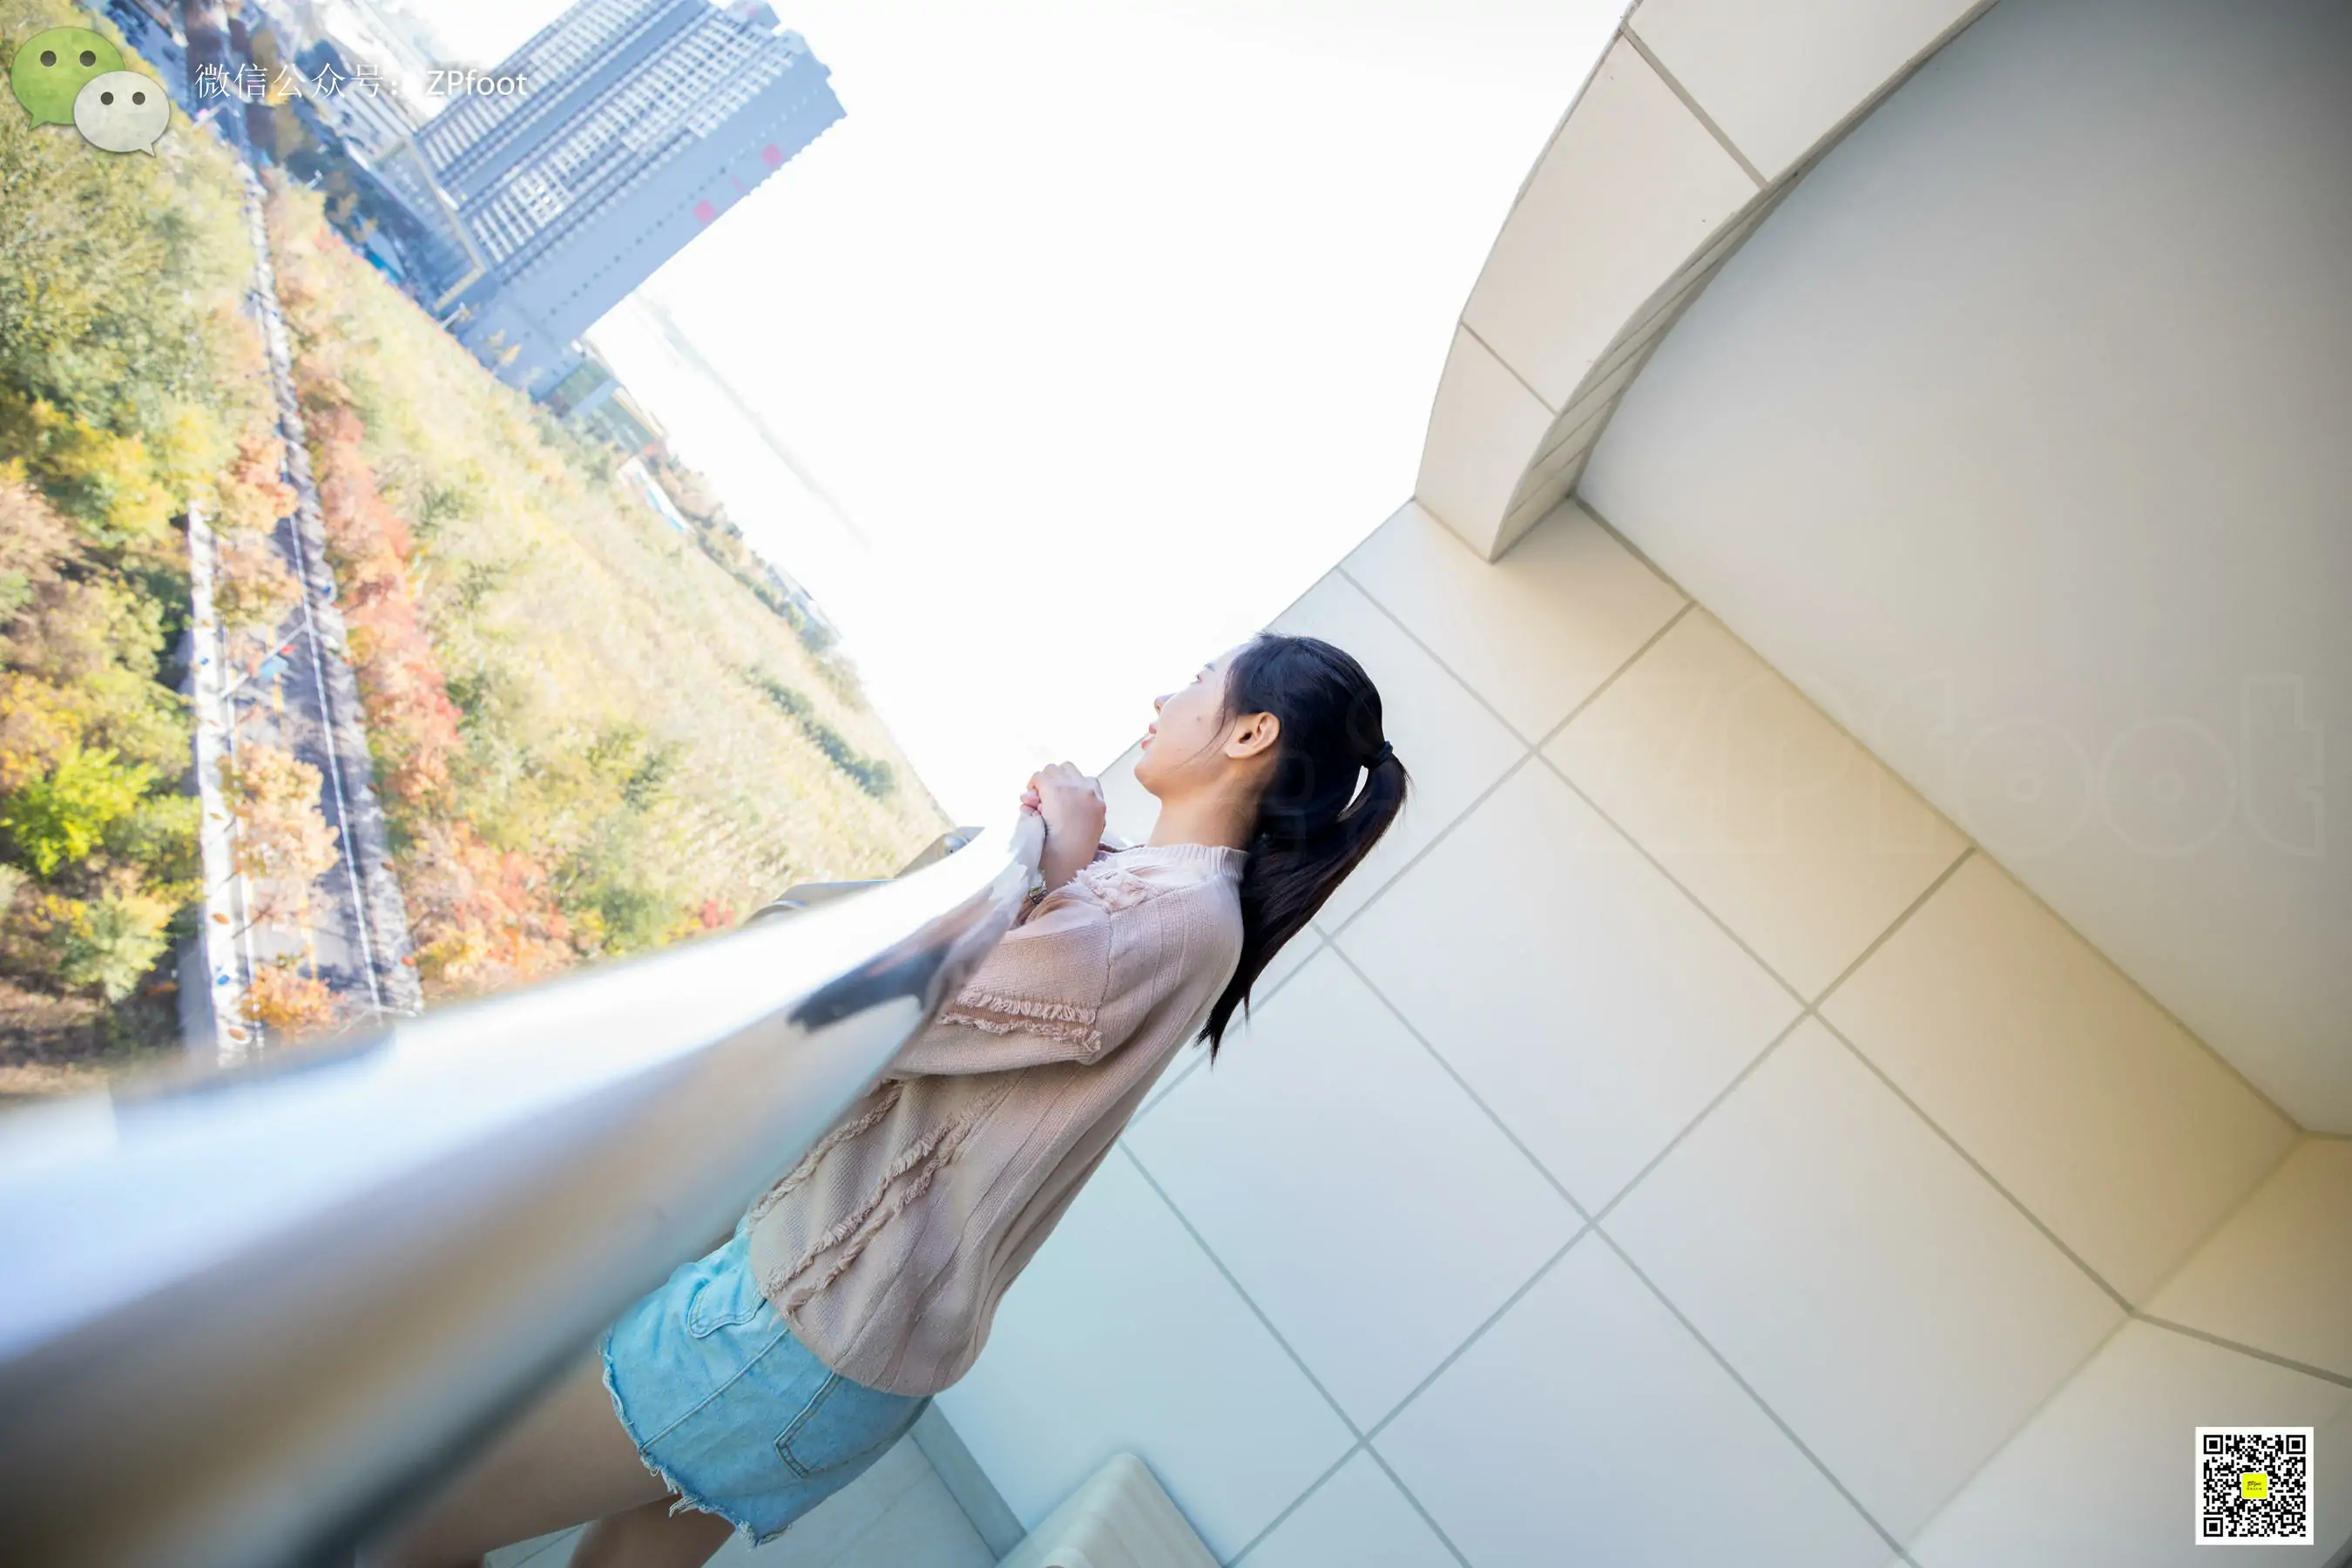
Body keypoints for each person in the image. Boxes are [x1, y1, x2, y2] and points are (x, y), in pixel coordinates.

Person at [375, 633, 1409, 1568]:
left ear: (1250, 733)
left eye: (1197, 680)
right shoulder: (1161, 895)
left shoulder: (1176, 918)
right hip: (828, 1342)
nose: (1163, 697)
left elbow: (888, 1009)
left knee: (413, 1518)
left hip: (789, 1329)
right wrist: (1054, 868)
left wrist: (1042, 870)